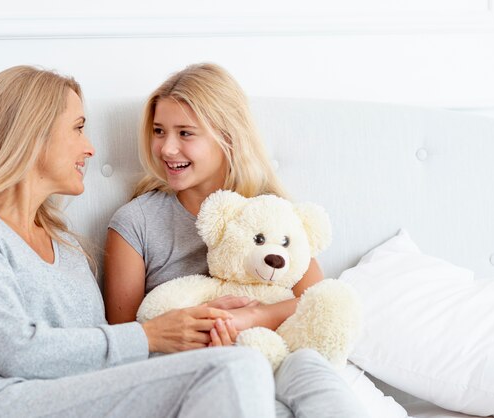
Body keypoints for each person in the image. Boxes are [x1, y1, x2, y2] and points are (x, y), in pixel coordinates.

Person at [0, 65, 276, 418]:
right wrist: (150, 334)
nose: (90, 147)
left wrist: (199, 325)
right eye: (78, 128)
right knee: (236, 368)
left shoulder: (67, 247)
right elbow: (15, 351)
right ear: (33, 134)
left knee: (235, 366)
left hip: (72, 396)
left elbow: (102, 355)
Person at [104, 63, 368, 418]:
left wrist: (252, 317)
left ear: (227, 137)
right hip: (193, 368)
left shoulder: (269, 210)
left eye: (185, 133)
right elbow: (125, 341)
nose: (166, 148)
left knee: (309, 367)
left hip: (275, 353)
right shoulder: (136, 222)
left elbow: (316, 301)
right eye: (158, 131)